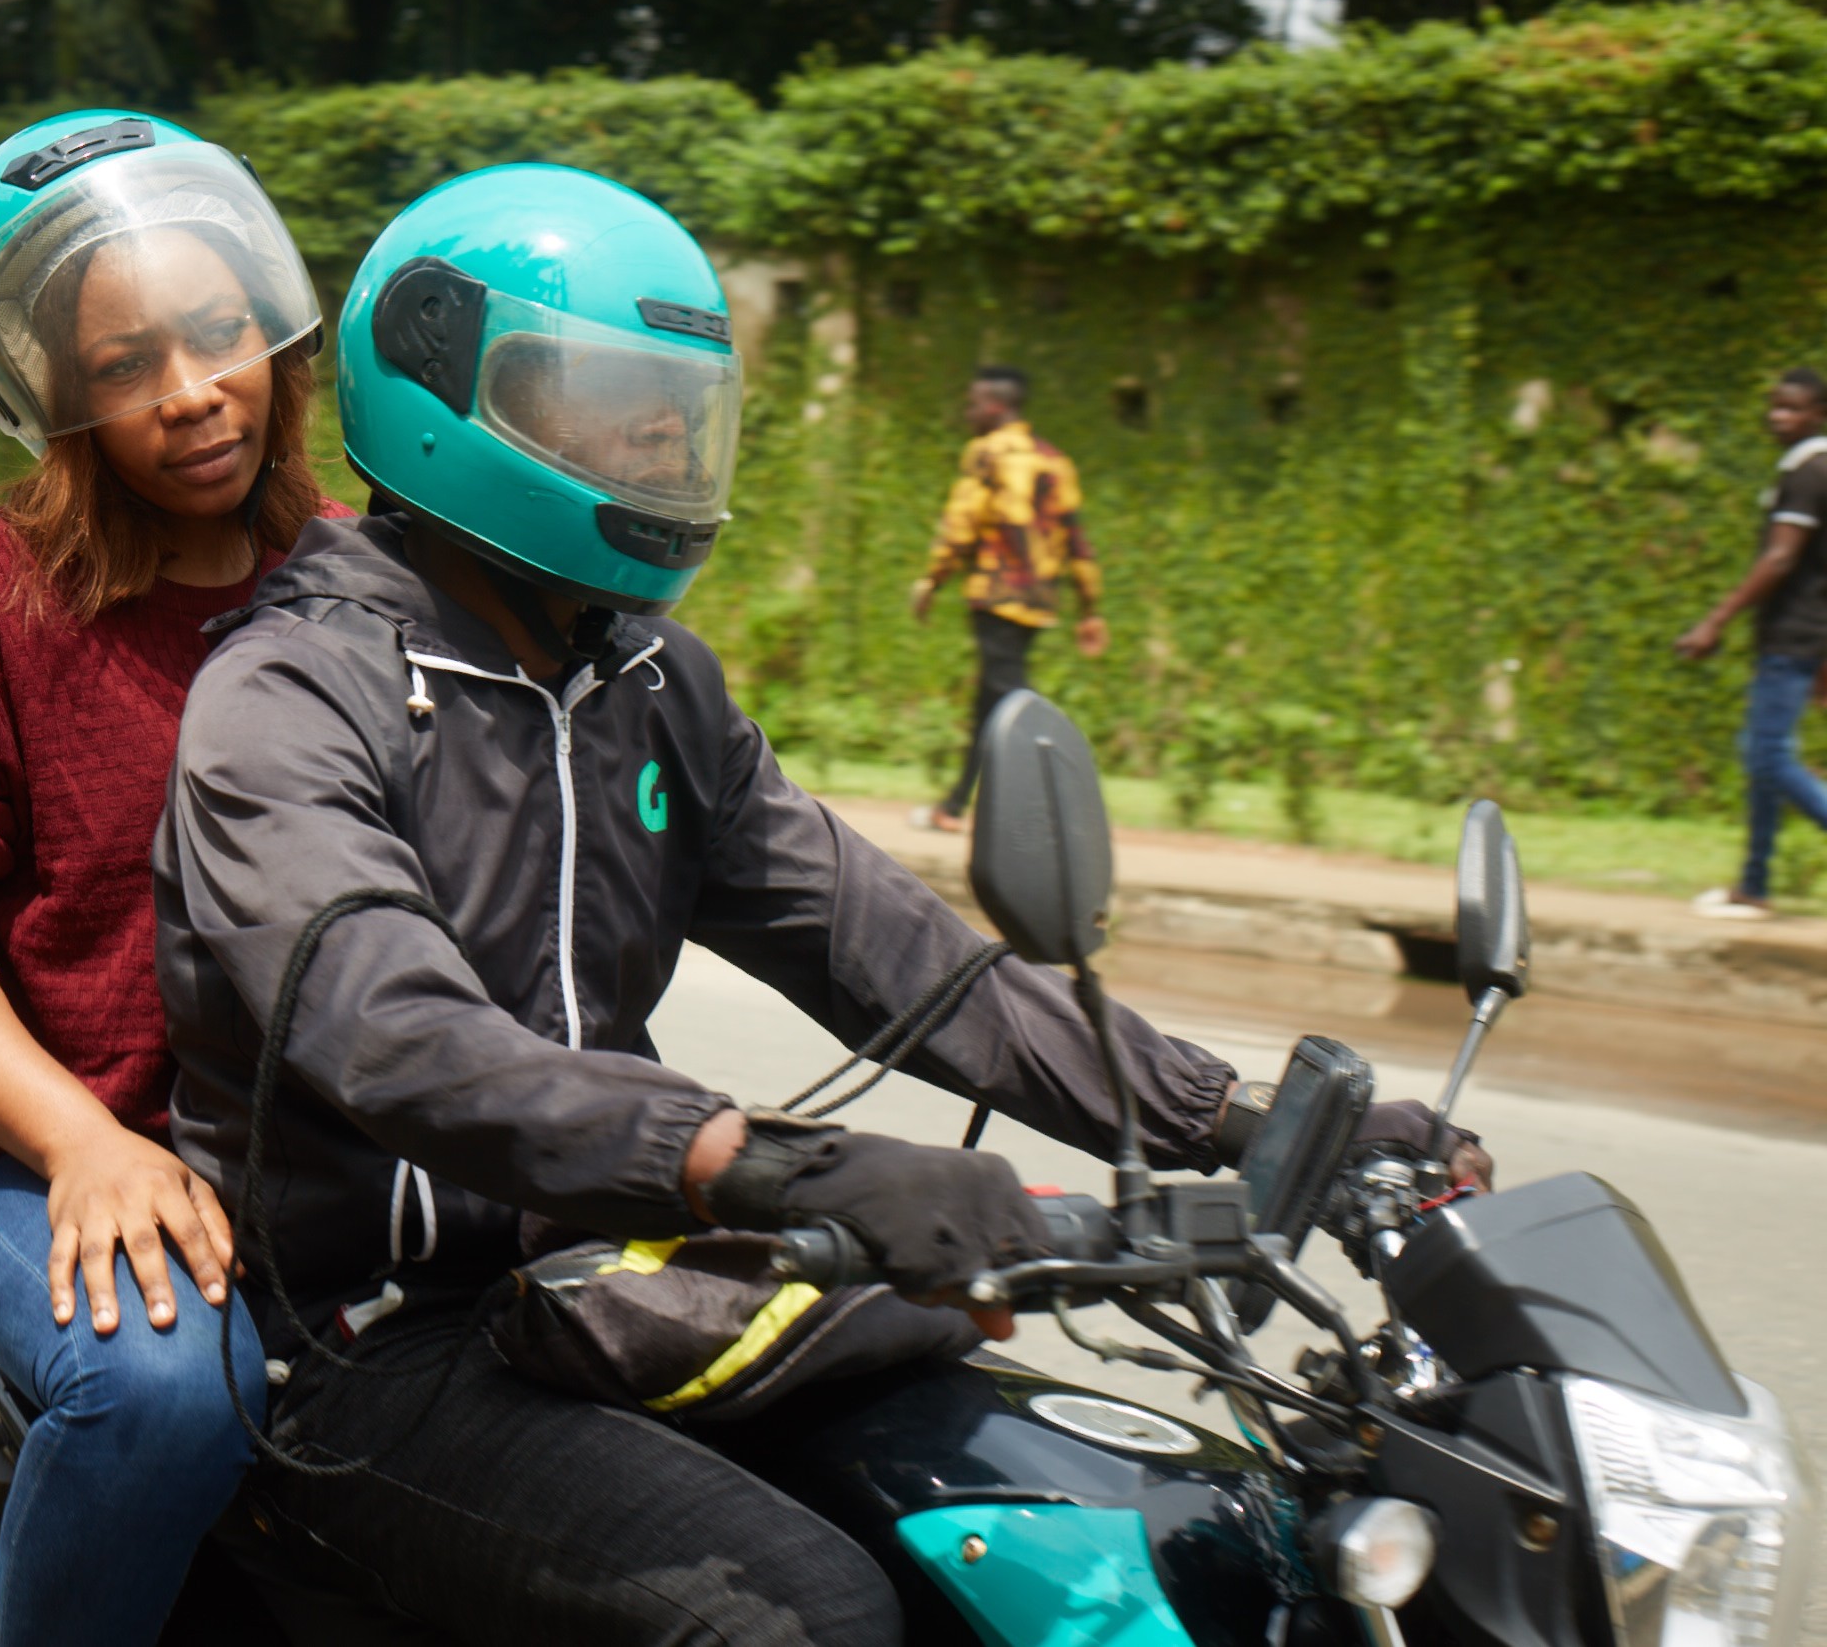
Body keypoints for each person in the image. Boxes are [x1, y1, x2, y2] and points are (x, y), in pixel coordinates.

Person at [152, 166, 1486, 1645]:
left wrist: (1234, 1119)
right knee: (807, 1617)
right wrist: (776, 1166)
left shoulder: (646, 683)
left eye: (678, 409)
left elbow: (894, 954)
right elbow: (400, 1038)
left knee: (1092, 1522)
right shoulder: (291, 696)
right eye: (612, 405)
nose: (661, 442)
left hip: (614, 1283)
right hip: (371, 1339)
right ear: (443, 394)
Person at [0, 109, 343, 1646]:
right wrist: (81, 1141)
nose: (189, 393)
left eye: (218, 334)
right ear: (54, 395)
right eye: (123, 365)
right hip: (16, 1149)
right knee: (167, 1386)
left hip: (308, 1155)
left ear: (276, 329)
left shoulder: (357, 580)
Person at [907, 366, 1105, 833]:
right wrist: (1090, 609)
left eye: (974, 403)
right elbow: (1077, 539)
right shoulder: (1055, 461)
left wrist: (932, 580)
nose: (968, 412)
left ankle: (1053, 808)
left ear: (997, 406)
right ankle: (954, 806)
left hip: (996, 596)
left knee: (1014, 703)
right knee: (992, 703)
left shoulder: (987, 453)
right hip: (1039, 601)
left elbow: (962, 524)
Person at [1676, 367, 1827, 920]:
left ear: (1819, 414)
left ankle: (1754, 882)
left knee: (1766, 756)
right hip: (1802, 636)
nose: (1777, 417)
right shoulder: (1810, 469)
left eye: (1792, 408)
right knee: (1765, 762)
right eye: (1774, 406)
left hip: (1793, 635)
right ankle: (1753, 885)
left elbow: (1781, 558)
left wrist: (1715, 621)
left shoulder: (1809, 473)